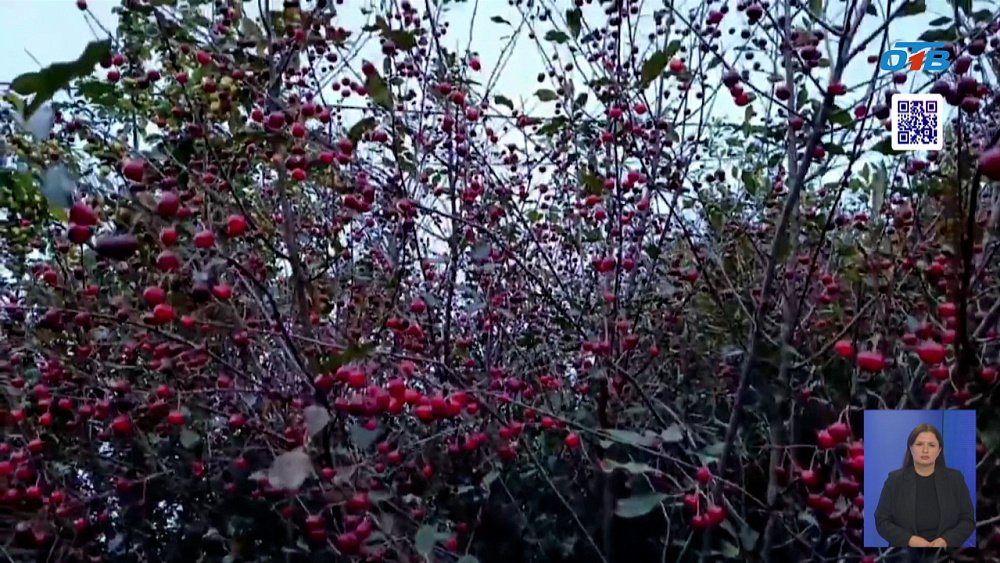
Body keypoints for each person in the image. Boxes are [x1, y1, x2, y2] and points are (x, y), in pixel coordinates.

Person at [874, 423, 975, 555]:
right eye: (919, 444)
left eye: (931, 445)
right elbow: (881, 521)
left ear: (939, 450)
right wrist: (910, 540)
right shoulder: (894, 481)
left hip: (945, 554)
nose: (925, 450)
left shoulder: (955, 479)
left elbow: (967, 520)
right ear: (911, 448)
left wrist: (945, 541)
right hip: (905, 554)